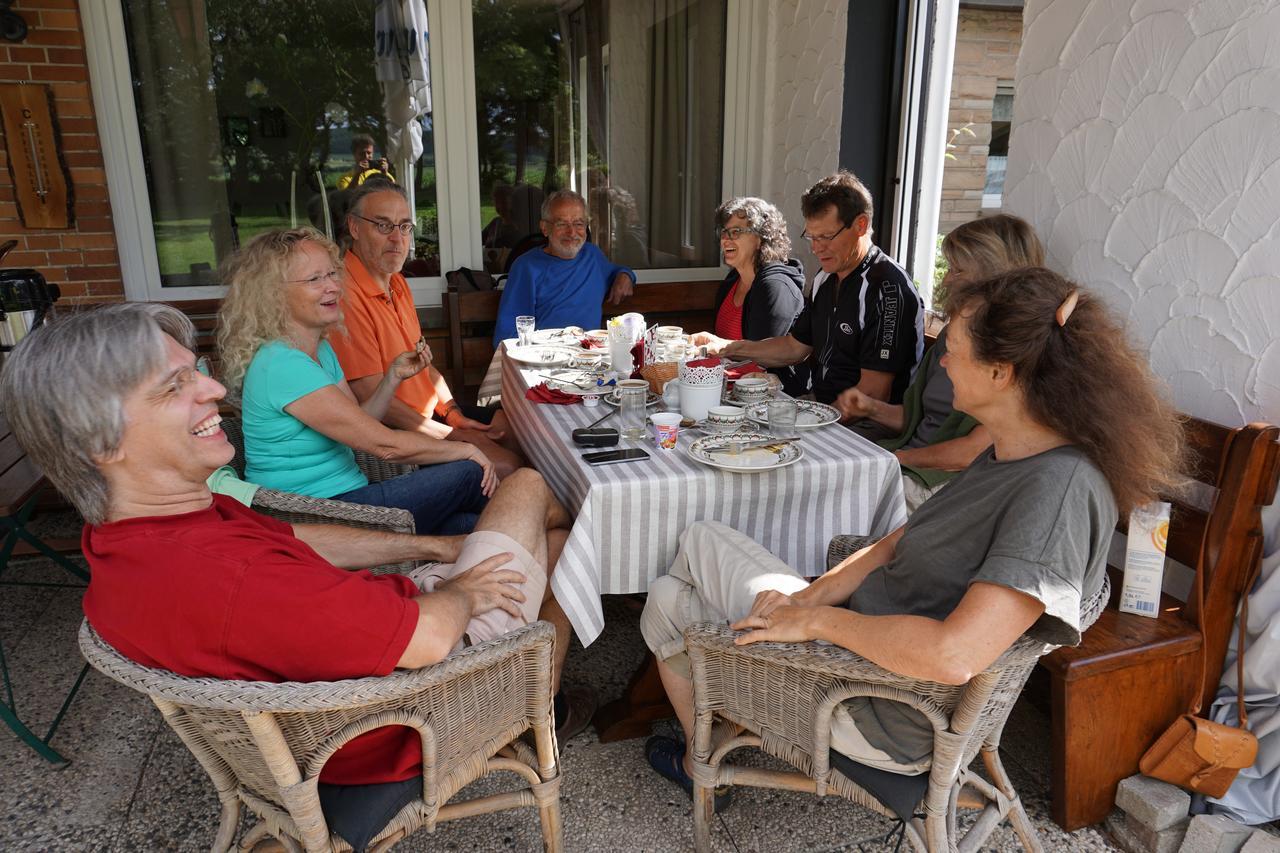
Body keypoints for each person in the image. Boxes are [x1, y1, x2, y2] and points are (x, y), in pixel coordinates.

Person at [639, 267, 1185, 809]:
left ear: (1002, 373)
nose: (941, 361)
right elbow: (896, 543)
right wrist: (802, 600)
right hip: (864, 649)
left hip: (878, 707)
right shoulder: (1013, 451)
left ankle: (705, 754)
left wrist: (815, 619)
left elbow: (954, 656)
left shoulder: (1056, 492)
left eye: (954, 348)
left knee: (676, 583)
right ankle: (712, 732)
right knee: (687, 566)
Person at [0, 305, 597, 788]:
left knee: (546, 537)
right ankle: (529, 705)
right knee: (538, 499)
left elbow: (294, 537)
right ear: (101, 445)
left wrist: (441, 547)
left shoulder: (127, 535)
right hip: (407, 715)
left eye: (197, 369)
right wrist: (464, 587)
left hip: (367, 656)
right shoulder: (230, 577)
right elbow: (429, 639)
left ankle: (538, 686)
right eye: (175, 386)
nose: (212, 388)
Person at [217, 226, 495, 536]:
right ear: (274, 294)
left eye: (332, 274)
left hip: (352, 497)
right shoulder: (281, 364)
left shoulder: (319, 347)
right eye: (314, 279)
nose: (333, 287)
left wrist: (391, 378)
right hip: (320, 515)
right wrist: (465, 448)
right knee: (469, 474)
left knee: (472, 527)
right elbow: (384, 445)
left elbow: (361, 422)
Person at [837, 214, 1045, 512]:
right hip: (909, 463)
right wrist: (870, 407)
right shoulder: (954, 332)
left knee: (829, 495)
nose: (946, 279)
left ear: (994, 276)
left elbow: (972, 452)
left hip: (944, 483)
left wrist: (896, 460)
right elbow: (921, 419)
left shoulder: (1021, 354)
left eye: (957, 270)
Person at [326, 182, 523, 477]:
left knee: (519, 430)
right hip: (393, 432)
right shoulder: (345, 296)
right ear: (354, 227)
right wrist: (448, 435)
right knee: (508, 466)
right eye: (383, 225)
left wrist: (453, 413)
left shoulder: (396, 282)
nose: (397, 238)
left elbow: (424, 366)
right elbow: (374, 400)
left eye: (405, 227)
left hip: (429, 415)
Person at [722, 172, 923, 406]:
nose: (817, 248)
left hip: (869, 426)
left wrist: (809, 418)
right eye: (812, 237)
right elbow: (794, 347)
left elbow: (874, 394)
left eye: (826, 237)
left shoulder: (888, 290)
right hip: (820, 404)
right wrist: (726, 348)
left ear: (861, 225)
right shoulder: (826, 277)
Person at [688, 196, 807, 396]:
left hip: (771, 399)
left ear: (761, 238)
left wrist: (717, 346)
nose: (726, 239)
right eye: (724, 232)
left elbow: (760, 362)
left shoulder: (774, 286)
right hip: (729, 390)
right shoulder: (732, 279)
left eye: (736, 232)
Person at [493, 190, 637, 345]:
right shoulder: (526, 267)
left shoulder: (592, 256)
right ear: (544, 228)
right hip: (546, 358)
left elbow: (616, 270)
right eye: (562, 224)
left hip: (588, 356)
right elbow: (508, 334)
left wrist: (625, 275)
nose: (572, 232)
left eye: (578, 223)